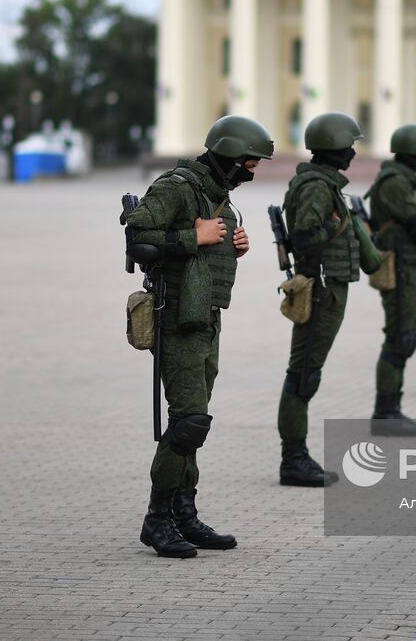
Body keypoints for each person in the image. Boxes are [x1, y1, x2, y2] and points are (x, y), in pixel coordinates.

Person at [124, 115, 274, 557]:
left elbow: (204, 251)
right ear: (227, 157)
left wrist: (231, 244)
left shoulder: (217, 196)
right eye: (249, 162)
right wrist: (196, 236)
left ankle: (184, 513)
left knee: (195, 421)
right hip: (177, 319)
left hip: (206, 318)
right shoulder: (176, 186)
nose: (253, 171)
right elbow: (139, 239)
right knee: (189, 420)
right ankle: (157, 520)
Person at [278, 113, 365, 486]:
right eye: (349, 146)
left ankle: (295, 456)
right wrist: (336, 223)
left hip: (330, 288)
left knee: (306, 372)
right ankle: (293, 459)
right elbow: (306, 237)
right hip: (320, 289)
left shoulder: (325, 183)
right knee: (303, 374)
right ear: (335, 148)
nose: (353, 153)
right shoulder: (316, 186)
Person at [368, 123, 416, 434]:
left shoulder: (402, 180)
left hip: (408, 267)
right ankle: (385, 413)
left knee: (403, 336)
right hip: (399, 269)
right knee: (399, 337)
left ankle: (392, 408)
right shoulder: (395, 182)